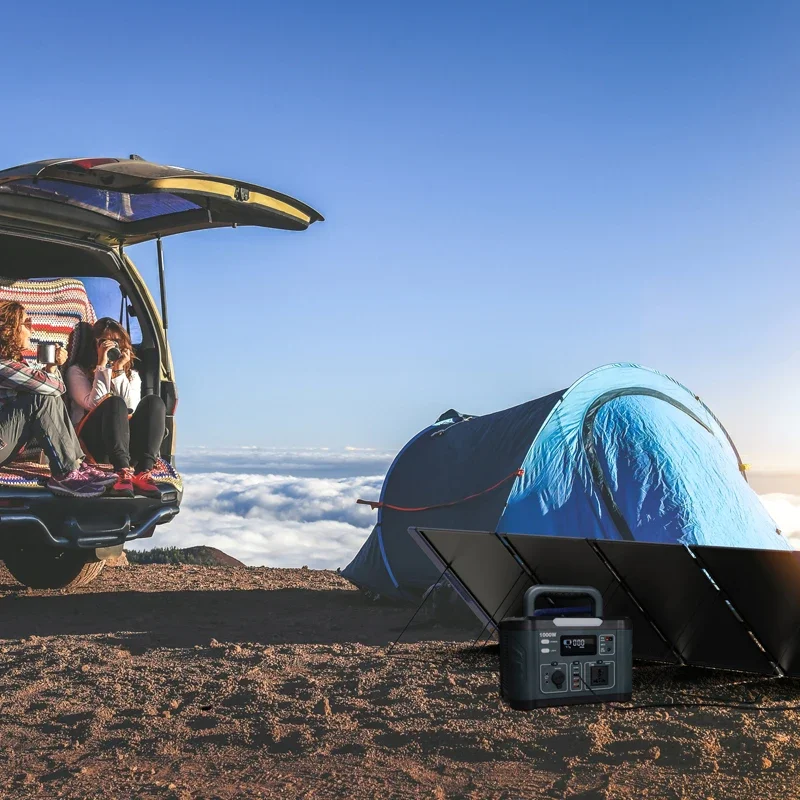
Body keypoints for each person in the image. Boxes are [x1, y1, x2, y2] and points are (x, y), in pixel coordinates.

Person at [0, 301, 114, 498]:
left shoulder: (13, 365)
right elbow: (55, 388)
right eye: (26, 323)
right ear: (9, 330)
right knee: (41, 398)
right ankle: (65, 473)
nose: (31, 328)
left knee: (44, 397)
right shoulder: (3, 367)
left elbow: (52, 390)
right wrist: (51, 372)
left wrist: (50, 369)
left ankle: (76, 465)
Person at [65, 318, 166, 498]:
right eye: (104, 341)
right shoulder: (76, 371)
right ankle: (121, 473)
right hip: (94, 447)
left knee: (154, 402)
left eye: (116, 342)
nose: (110, 346)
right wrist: (102, 366)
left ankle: (143, 471)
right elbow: (94, 403)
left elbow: (131, 408)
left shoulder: (132, 376)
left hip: (126, 447)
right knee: (113, 402)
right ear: (93, 345)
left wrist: (118, 371)